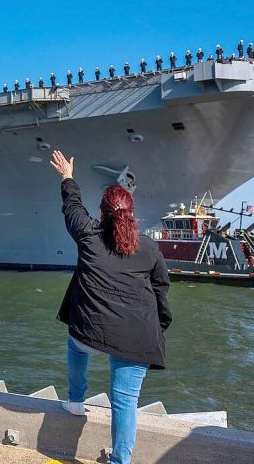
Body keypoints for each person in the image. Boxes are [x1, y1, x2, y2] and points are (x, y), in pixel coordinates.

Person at [48, 151, 172, 464]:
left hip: (91, 329)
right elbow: (160, 289)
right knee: (125, 400)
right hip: (136, 336)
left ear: (102, 213)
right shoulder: (150, 248)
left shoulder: (89, 236)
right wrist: (160, 325)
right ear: (132, 214)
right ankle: (120, 461)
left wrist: (67, 176)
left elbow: (72, 207)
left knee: (76, 347)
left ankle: (76, 400)